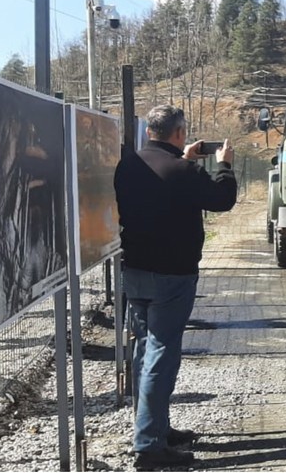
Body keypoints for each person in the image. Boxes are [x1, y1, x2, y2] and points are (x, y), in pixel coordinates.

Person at [114, 105, 237, 469]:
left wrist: (186, 160)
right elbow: (222, 199)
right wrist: (225, 165)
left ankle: (153, 427)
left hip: (135, 270)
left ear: (150, 130)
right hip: (172, 274)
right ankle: (149, 446)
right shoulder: (183, 170)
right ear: (180, 133)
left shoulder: (129, 164)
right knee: (161, 354)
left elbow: (162, 189)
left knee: (143, 349)